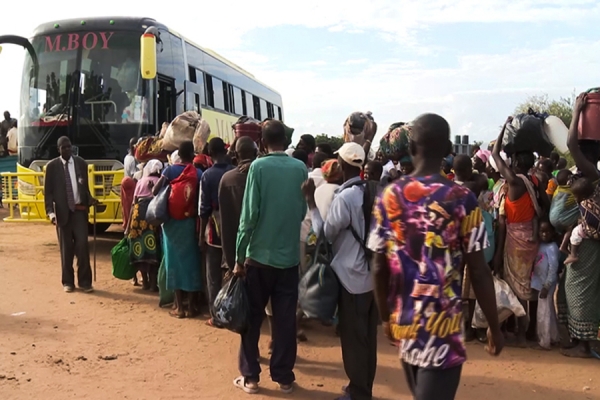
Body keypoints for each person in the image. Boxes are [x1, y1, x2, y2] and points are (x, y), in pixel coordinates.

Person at [369, 113, 503, 400]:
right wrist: (493, 324)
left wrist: (385, 318)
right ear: (447, 152)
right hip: (443, 331)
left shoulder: (389, 196)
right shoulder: (462, 198)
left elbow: (379, 266)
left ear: (411, 148)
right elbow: (478, 271)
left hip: (405, 326)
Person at [233, 120, 308, 395]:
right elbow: (301, 212)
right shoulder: (300, 168)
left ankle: (251, 377)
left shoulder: (258, 167)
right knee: (285, 321)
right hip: (288, 258)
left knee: (252, 320)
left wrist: (239, 258)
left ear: (262, 143)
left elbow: (248, 216)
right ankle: (284, 377)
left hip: (258, 258)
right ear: (286, 143)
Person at [302, 142, 377, 400]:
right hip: (371, 275)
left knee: (353, 337)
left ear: (343, 165)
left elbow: (325, 232)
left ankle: (358, 391)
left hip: (350, 276)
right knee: (367, 336)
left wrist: (312, 203)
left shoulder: (345, 198)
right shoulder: (373, 191)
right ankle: (364, 386)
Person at [492, 117, 545, 347]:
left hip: (515, 239)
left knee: (517, 288)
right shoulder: (536, 180)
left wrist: (504, 126)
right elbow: (545, 206)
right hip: (531, 239)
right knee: (528, 286)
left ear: (514, 162)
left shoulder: (513, 182)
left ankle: (521, 334)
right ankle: (530, 330)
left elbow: (495, 155)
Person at [560, 92, 600, 358]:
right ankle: (579, 340)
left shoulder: (590, 172)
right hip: (583, 241)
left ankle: (585, 345)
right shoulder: (589, 174)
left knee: (580, 288)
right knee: (575, 287)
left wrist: (577, 111)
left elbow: (571, 144)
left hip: (587, 245)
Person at [154, 142, 203, 319]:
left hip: (172, 224)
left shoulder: (169, 171)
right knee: (191, 262)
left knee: (173, 262)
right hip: (190, 222)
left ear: (179, 155)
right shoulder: (198, 173)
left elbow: (154, 190)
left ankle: (178, 307)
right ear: (192, 154)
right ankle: (191, 307)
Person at [44, 136, 97, 293]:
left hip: (79, 211)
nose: (67, 150)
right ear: (58, 150)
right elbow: (48, 194)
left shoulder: (80, 163)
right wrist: (51, 213)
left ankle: (85, 282)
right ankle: (68, 282)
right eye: (64, 148)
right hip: (62, 214)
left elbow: (84, 188)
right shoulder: (52, 167)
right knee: (66, 250)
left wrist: (90, 199)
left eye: (69, 147)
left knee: (82, 246)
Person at [200, 137, 234, 326]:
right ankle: (232, 311)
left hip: (214, 230)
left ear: (210, 154)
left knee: (213, 275)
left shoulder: (207, 175)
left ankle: (216, 316)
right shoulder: (234, 172)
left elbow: (203, 209)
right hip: (234, 228)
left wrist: (200, 237)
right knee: (231, 272)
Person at [219, 137, 258, 272]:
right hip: (262, 254)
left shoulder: (226, 179)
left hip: (236, 255)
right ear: (255, 153)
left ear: (236, 155)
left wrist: (232, 261)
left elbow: (225, 224)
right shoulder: (265, 176)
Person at [128, 159, 163, 291]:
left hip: (137, 216)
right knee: (153, 248)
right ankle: (154, 284)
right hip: (152, 216)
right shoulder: (160, 182)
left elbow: (134, 202)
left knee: (140, 248)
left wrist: (127, 227)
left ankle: (145, 283)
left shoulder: (141, 181)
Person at [531, 220, 560, 350]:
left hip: (546, 285)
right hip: (541, 284)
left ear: (552, 233)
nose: (544, 234)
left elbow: (553, 267)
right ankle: (553, 337)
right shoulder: (540, 245)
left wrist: (547, 286)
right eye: (542, 231)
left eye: (547, 231)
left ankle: (544, 341)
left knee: (543, 313)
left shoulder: (552, 247)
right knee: (549, 311)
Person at [563, 177, 596, 265]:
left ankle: (573, 254)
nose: (574, 198)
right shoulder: (596, 199)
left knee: (575, 232)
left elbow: (588, 219)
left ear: (583, 197)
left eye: (575, 196)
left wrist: (582, 222)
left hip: (594, 231)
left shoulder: (584, 204)